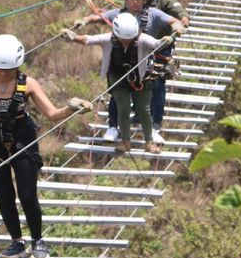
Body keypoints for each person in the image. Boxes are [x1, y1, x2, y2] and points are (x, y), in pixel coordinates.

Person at [0, 35, 92, 258]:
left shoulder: (28, 84)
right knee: (4, 195)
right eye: (0, 69)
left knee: (28, 195)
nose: (4, 74)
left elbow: (52, 115)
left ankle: (38, 241)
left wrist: (72, 108)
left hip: (22, 140)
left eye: (10, 70)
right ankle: (17, 242)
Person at [71, 0, 184, 144]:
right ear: (126, 0)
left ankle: (152, 130)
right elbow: (98, 18)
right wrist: (84, 21)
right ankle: (113, 127)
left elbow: (172, 21)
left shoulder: (153, 14)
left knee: (152, 94)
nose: (135, 2)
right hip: (121, 59)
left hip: (144, 57)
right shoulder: (118, 13)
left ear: (144, 0)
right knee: (118, 96)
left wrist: (177, 27)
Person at [65, 13, 171, 154]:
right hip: (117, 77)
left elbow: (156, 44)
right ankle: (126, 141)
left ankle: (149, 142)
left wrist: (165, 40)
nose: (126, 41)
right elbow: (88, 40)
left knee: (144, 110)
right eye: (123, 39)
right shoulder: (109, 39)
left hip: (141, 78)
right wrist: (72, 37)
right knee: (124, 108)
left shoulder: (143, 39)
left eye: (129, 39)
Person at [133, 0, 190, 144]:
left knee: (157, 84)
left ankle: (156, 121)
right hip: (140, 48)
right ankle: (138, 114)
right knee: (138, 80)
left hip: (161, 48)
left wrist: (183, 22)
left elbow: (180, 12)